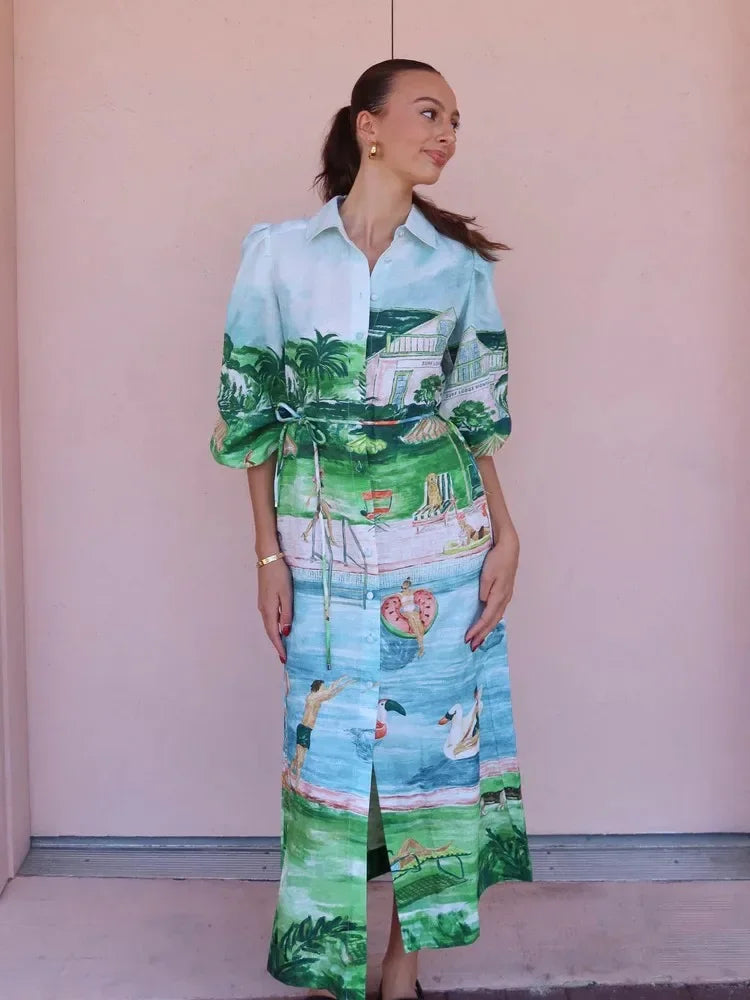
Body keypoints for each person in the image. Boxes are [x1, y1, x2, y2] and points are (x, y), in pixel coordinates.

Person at [211, 58, 533, 1000]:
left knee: (433, 747)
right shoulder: (276, 253)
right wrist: (266, 552)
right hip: (319, 546)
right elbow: (249, 413)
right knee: (333, 746)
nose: (446, 133)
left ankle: (404, 966)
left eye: (456, 120)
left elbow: (476, 414)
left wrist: (507, 536)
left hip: (441, 541)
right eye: (429, 113)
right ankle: (328, 957)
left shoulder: (458, 268)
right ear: (369, 126)